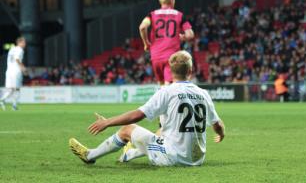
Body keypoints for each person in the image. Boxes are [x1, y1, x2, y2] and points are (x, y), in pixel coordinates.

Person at [69, 51, 225, 166]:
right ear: (190, 71)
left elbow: (138, 115)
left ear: (170, 71)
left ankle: (90, 155)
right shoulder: (203, 93)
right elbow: (218, 124)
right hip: (197, 159)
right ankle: (129, 154)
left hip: (174, 158)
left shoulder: (167, 91)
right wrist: (221, 134)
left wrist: (107, 122)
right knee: (161, 131)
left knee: (127, 130)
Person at [139, 0, 194, 85]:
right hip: (171, 56)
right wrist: (182, 37)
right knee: (169, 85)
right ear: (172, 0)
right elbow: (190, 35)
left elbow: (142, 27)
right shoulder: (179, 15)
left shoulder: (152, 14)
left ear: (161, 1)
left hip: (155, 56)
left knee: (161, 84)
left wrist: (146, 43)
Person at [0, 37, 26, 111]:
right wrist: (23, 67)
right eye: (24, 42)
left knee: (10, 89)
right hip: (16, 71)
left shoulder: (12, 49)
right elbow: (17, 59)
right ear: (20, 42)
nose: (25, 44)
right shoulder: (20, 49)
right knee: (17, 89)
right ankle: (13, 105)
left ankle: (3, 100)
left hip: (9, 72)